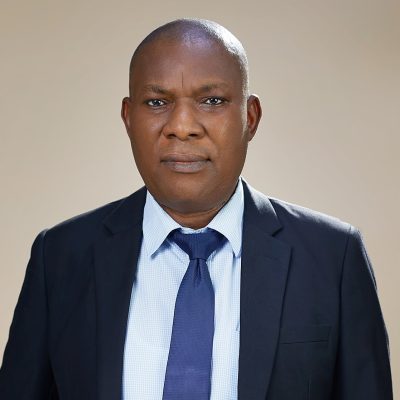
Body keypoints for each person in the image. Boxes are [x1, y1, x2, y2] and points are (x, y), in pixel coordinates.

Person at [0, 18, 393, 400]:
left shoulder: (333, 258)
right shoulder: (61, 257)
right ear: (128, 118)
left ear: (250, 117)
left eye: (212, 101)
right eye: (157, 102)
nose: (182, 126)